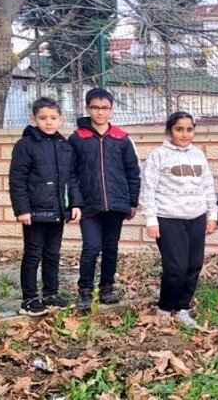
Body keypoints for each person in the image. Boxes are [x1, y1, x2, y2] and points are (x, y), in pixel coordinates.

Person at [141, 111, 218, 329]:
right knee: (176, 267)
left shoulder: (198, 155)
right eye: (179, 129)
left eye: (189, 129)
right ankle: (165, 307)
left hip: (196, 217)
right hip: (168, 218)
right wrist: (151, 219)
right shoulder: (158, 155)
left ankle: (182, 307)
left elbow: (208, 186)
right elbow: (148, 188)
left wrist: (212, 214)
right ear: (170, 130)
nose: (185, 134)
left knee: (194, 265)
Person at [69, 87, 141, 313]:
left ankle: (107, 286)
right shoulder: (77, 138)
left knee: (111, 247)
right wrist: (75, 202)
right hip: (89, 206)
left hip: (117, 204)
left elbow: (133, 171)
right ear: (88, 108)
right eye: (95, 108)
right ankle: (85, 290)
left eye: (105, 108)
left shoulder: (121, 139)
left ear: (111, 109)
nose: (100, 112)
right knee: (91, 247)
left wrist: (132, 201)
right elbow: (70, 174)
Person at [9, 97, 82, 316]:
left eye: (53, 118)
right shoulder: (26, 145)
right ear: (34, 119)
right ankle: (29, 299)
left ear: (61, 119)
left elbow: (72, 178)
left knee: (52, 254)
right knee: (33, 254)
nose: (48, 122)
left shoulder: (64, 146)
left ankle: (51, 293)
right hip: (34, 212)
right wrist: (22, 209)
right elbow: (17, 179)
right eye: (43, 118)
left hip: (58, 210)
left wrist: (75, 204)